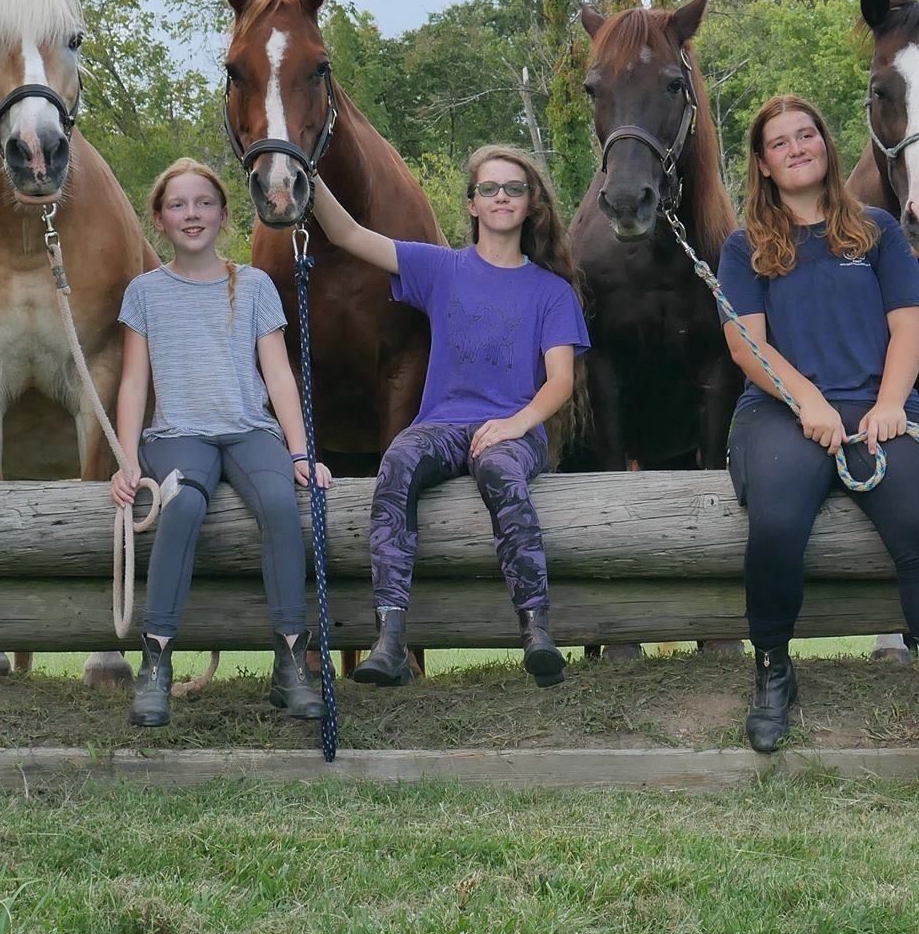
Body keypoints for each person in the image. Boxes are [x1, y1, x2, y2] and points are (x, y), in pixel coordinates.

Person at [718, 94, 919, 761]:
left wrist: (891, 403)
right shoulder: (745, 244)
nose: (796, 148)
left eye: (806, 135)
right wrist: (805, 399)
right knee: (778, 522)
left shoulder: (876, 230)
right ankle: (774, 672)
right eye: (779, 142)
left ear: (826, 144)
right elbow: (745, 344)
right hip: (781, 410)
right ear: (762, 162)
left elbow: (907, 324)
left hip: (879, 403)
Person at [306, 144, 588, 687]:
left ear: (531, 204)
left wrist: (517, 423)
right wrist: (307, 168)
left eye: (513, 188)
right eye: (489, 188)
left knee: (502, 472)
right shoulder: (442, 268)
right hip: (443, 425)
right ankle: (390, 639)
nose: (500, 196)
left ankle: (535, 629)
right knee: (397, 462)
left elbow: (560, 382)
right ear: (472, 204)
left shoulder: (551, 292)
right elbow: (348, 235)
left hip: (514, 429)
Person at [111, 158, 330, 728]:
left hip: (249, 430)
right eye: (178, 205)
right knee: (182, 504)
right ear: (158, 219)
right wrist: (127, 458)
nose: (192, 214)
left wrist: (302, 451)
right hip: (178, 434)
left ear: (224, 214)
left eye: (204, 203)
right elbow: (134, 380)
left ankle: (290, 664)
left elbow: (279, 375)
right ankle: (155, 662)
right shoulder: (145, 293)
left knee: (283, 507)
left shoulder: (254, 284)